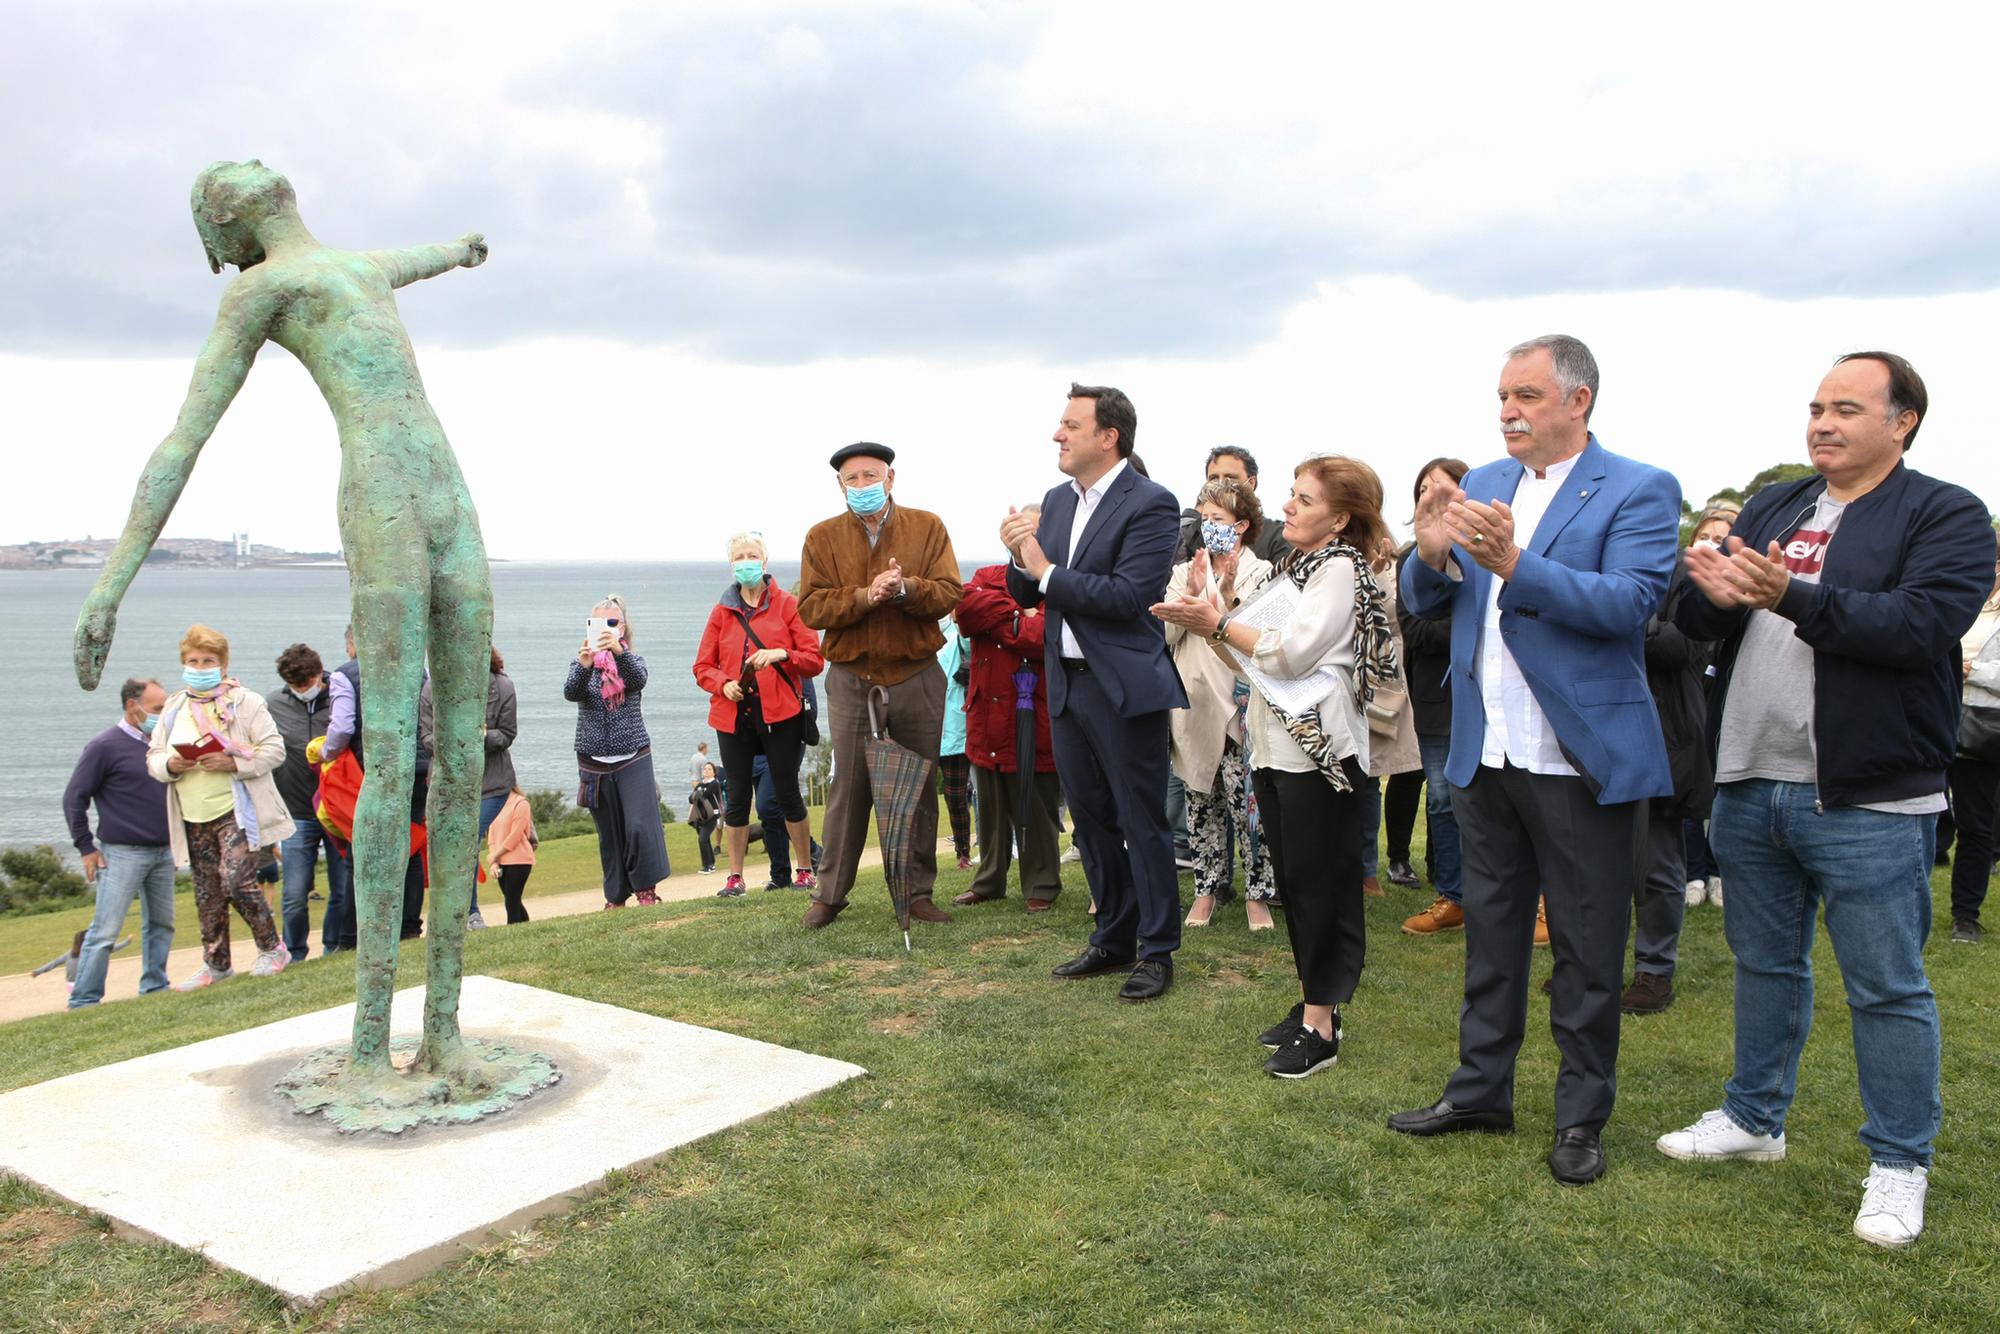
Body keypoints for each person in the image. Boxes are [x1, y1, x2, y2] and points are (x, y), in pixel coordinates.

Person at [1657, 351, 1995, 1247]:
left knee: (1885, 987)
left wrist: (1791, 594)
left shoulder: (1946, 513)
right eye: (1815, 406)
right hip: (1750, 775)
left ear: (1904, 421)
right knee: (1766, 966)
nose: (1822, 422)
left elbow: (1920, 625)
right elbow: (1695, 627)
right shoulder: (1778, 503)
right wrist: (1709, 589)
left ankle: (1898, 1163)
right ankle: (1754, 1119)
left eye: (1846, 407)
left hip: (1868, 794)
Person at [1386, 335, 1680, 1188]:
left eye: (1525, 395)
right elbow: (1425, 598)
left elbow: (1630, 605)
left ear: (1577, 400)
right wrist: (1433, 553)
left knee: (1587, 949)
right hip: (1487, 750)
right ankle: (1480, 1090)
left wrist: (1517, 563)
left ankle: (1581, 1116)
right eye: (1502, 396)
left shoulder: (1639, 487)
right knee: (1493, 933)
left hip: (1574, 754)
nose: (1507, 411)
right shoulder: (1482, 481)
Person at [1156, 456, 1400, 1077]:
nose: (1288, 507)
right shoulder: (1300, 567)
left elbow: (1288, 655)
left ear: (1341, 518)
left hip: (1316, 755)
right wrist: (1216, 621)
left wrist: (1219, 623)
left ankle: (1322, 1025)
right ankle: (1314, 1002)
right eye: (1291, 495)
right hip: (1275, 747)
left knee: (1318, 885)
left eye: (1305, 500)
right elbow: (1252, 663)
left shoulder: (1339, 569)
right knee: (1296, 881)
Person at [1003, 383, 1188, 1002]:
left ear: (1108, 437)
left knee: (1142, 819)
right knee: (1090, 821)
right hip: (1067, 685)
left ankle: (1158, 949)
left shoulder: (1152, 503)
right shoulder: (1056, 501)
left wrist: (1043, 568)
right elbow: (1029, 593)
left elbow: (1128, 596)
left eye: (1071, 425)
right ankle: (1113, 937)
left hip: (1122, 687)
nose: (1058, 435)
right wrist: (1018, 557)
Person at [797, 443, 964, 929]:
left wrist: (906, 589)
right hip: (852, 679)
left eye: (872, 476)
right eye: (854, 479)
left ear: (891, 479)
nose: (864, 486)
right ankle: (829, 895)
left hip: (916, 674)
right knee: (849, 788)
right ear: (840, 486)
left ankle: (916, 894)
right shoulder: (821, 537)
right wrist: (865, 597)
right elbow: (811, 607)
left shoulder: (927, 526)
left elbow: (949, 591)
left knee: (918, 786)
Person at [148, 624, 298, 989]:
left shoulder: (245, 702)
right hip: (191, 812)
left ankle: (271, 947)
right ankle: (216, 963)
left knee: (236, 880)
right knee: (207, 890)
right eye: (193, 661)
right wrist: (171, 764)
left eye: (208, 660)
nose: (200, 667)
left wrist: (233, 763)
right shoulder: (173, 707)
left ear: (224, 664)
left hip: (235, 810)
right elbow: (154, 756)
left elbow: (274, 750)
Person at [1162, 479, 1278, 929]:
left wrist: (1224, 602)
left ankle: (1257, 895)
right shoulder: (1181, 573)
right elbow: (1166, 633)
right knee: (1200, 800)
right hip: (1192, 702)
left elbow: (1261, 638)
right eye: (1204, 518)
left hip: (1241, 702)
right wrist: (1191, 597)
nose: (1209, 527)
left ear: (1242, 525)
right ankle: (1206, 891)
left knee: (1250, 805)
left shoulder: (1263, 572)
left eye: (1220, 520)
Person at [692, 533, 825, 897]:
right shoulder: (721, 611)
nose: (746, 561)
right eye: (739, 556)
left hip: (781, 713)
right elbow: (702, 666)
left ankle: (804, 870)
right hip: (734, 716)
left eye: (753, 555)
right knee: (736, 797)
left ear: (765, 562)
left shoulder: (787, 604)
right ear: (731, 564)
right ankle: (735, 878)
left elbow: (814, 660)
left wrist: (782, 654)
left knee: (786, 793)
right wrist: (723, 684)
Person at [1622, 550, 1716, 1014]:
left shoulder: (1686, 571)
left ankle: (1654, 970)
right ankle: (1590, 965)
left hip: (1667, 734)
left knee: (1658, 862)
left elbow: (1685, 645)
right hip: (1605, 733)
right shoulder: (1601, 564)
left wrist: (1609, 621)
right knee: (1599, 864)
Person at [951, 560, 1064, 910]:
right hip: (987, 713)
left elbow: (1043, 635)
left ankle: (1041, 885)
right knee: (990, 805)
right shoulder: (988, 574)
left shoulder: (1056, 580)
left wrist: (997, 615)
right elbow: (966, 612)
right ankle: (989, 881)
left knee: (1037, 801)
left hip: (1031, 712)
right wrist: (1019, 612)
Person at [62, 677, 174, 1007]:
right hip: (122, 853)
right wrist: (85, 847)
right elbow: (74, 798)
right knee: (104, 932)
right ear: (131, 706)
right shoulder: (104, 746)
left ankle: (155, 988)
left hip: (164, 851)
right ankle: (84, 1000)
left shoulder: (161, 744)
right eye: (157, 708)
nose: (163, 714)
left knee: (161, 924)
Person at [1398, 459, 1472, 937]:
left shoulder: (1488, 550)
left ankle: (1537, 900)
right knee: (1443, 802)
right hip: (1435, 700)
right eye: (1423, 488)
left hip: (1485, 697)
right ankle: (1454, 897)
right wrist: (1467, 628)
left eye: (1442, 487)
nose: (1431, 495)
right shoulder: (1414, 560)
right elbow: (1416, 630)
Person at [565, 594, 672, 907]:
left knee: (640, 825)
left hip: (633, 755)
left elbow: (638, 681)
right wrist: (585, 666)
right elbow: (571, 692)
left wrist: (618, 653)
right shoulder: (581, 663)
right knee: (609, 834)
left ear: (623, 628)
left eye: (612, 623)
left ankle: (646, 890)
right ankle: (615, 896)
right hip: (592, 758)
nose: (606, 629)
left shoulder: (633, 661)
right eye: (599, 623)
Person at [420, 644, 518, 929]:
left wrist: (480, 737)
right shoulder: (431, 690)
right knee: (450, 844)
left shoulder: (502, 686)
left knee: (466, 839)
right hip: (448, 783)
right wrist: (458, 738)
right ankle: (453, 912)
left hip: (492, 783)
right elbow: (428, 738)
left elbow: (507, 734)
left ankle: (470, 913)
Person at [268, 643, 350, 962]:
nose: (301, 690)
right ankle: (295, 954)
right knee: (293, 895)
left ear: (319, 674)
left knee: (341, 889)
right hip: (296, 811)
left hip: (334, 809)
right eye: (294, 686)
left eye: (306, 683)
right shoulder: (274, 704)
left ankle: (333, 948)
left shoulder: (341, 698)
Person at [1680, 505, 1738, 908]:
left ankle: (1719, 872)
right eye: (1707, 536)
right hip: (1685, 706)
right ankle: (1693, 872)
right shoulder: (1678, 586)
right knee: (1689, 790)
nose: (1712, 544)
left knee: (1720, 793)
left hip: (1728, 709)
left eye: (1723, 538)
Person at [1358, 534, 1421, 899]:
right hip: (1334, 679)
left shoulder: (1391, 560)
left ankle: (1367, 870)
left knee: (1369, 776)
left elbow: (1396, 620)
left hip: (1381, 686)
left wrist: (1378, 573)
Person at [1948, 547, 2000, 943]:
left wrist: (1973, 669)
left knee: (1976, 823)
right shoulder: (1958, 597)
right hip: (1933, 715)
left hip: (1983, 728)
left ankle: (1965, 914)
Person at [1176, 446, 1294, 565]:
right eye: (1214, 478)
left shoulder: (1277, 537)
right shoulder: (1190, 533)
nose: (1221, 484)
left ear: (1251, 483)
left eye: (1230, 478)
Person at [937, 620, 974, 870]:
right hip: (921, 727)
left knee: (956, 797)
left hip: (954, 729)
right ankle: (920, 854)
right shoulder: (915, 631)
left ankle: (963, 852)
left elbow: (970, 646)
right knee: (920, 800)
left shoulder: (959, 633)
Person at [484, 784, 537, 924]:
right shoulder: (494, 805)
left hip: (519, 860)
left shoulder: (520, 803)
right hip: (501, 861)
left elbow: (516, 835)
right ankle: (525, 927)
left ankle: (513, 929)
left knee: (511, 901)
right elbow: (492, 836)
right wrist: (494, 862)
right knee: (512, 900)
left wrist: (495, 855)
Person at [688, 761, 724, 875]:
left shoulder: (714, 783)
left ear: (714, 772)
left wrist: (698, 791)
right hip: (701, 816)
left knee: (702, 839)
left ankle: (707, 866)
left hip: (712, 815)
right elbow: (691, 798)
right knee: (705, 839)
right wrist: (698, 791)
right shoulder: (700, 784)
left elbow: (704, 794)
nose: (706, 771)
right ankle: (711, 864)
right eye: (705, 769)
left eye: (709, 769)